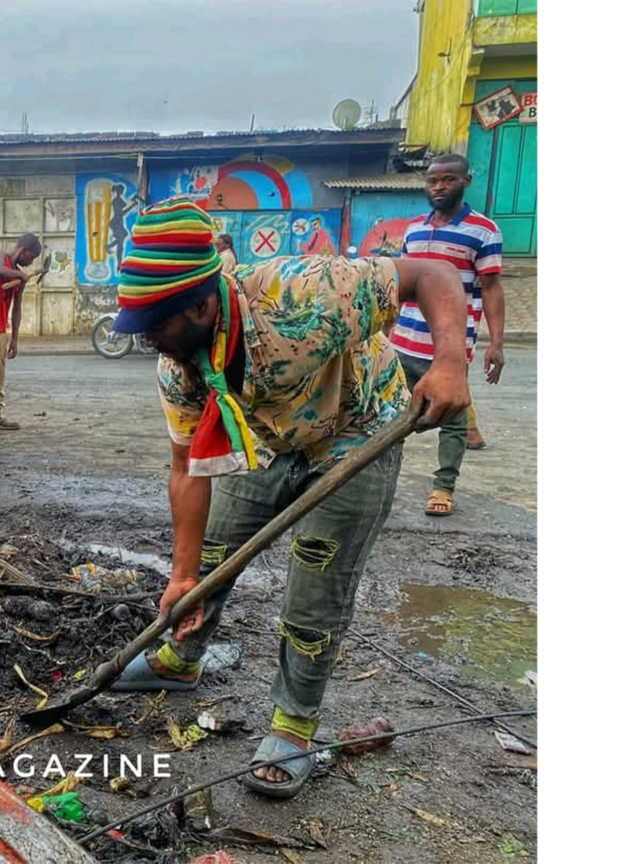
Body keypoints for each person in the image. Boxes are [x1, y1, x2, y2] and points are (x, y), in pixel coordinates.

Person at [106, 195, 470, 800]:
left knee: (316, 582)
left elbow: (431, 275)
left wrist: (451, 361)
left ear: (201, 304)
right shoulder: (179, 366)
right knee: (214, 550)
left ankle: (294, 725)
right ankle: (183, 658)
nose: (146, 341)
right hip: (271, 438)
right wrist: (182, 573)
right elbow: (187, 470)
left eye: (154, 326)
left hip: (360, 430)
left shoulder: (305, 290)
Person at [388, 153, 506, 516]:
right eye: (432, 181)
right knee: (389, 419)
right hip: (402, 341)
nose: (439, 187)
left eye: (447, 180)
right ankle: (383, 485)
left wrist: (496, 344)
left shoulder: (483, 231)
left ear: (465, 181)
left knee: (452, 423)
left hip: (448, 347)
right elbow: (401, 285)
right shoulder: (414, 229)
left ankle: (443, 486)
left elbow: (490, 288)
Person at [0, 234, 42, 434]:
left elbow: (17, 308)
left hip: (1, 329)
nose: (30, 263)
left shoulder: (19, 275)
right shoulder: (1, 256)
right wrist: (19, 276)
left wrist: (15, 338)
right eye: (32, 258)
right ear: (23, 251)